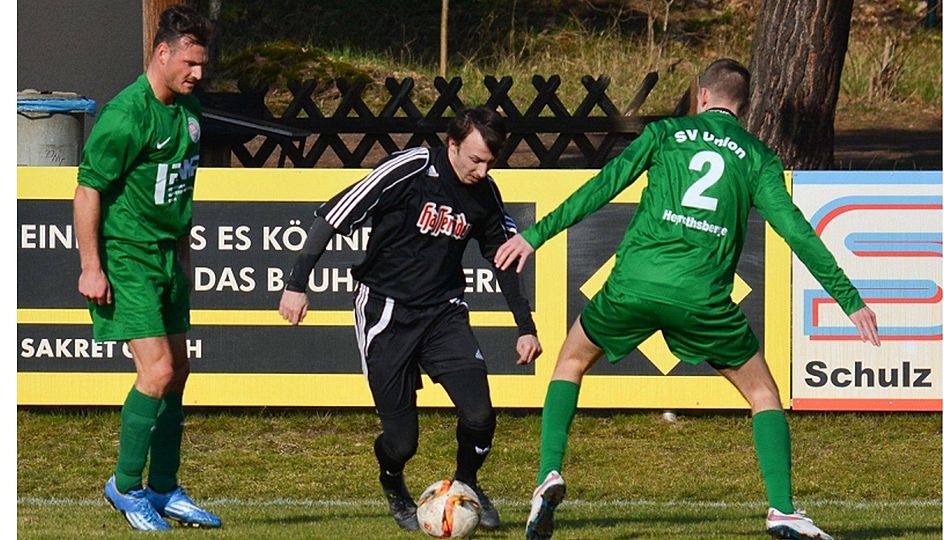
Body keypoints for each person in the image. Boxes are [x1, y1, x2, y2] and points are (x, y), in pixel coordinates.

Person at [494, 58, 881, 540]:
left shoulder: (666, 134)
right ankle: (781, 508)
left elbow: (600, 187)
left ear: (700, 95)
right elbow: (798, 233)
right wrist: (849, 299)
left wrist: (534, 235)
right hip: (702, 299)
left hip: (633, 284)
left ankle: (548, 474)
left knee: (570, 362)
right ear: (746, 105)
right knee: (762, 394)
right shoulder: (757, 157)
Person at [279, 106, 543, 531]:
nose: (483, 169)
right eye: (475, 159)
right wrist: (296, 283)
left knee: (479, 415)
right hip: (385, 309)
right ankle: (392, 481)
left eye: (491, 161)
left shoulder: (485, 194)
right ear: (452, 145)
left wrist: (525, 327)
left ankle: (466, 487)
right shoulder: (410, 168)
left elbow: (505, 258)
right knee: (402, 442)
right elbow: (331, 215)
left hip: (443, 313)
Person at [73, 4, 220, 532]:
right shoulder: (126, 114)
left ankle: (164, 489)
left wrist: (182, 262)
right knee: (155, 372)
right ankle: (125, 485)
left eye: (203, 65)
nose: (198, 74)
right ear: (163, 54)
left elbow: (178, 196)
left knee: (177, 373)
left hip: (166, 258)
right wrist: (92, 266)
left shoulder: (189, 114)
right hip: (126, 255)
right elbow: (88, 187)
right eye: (191, 64)